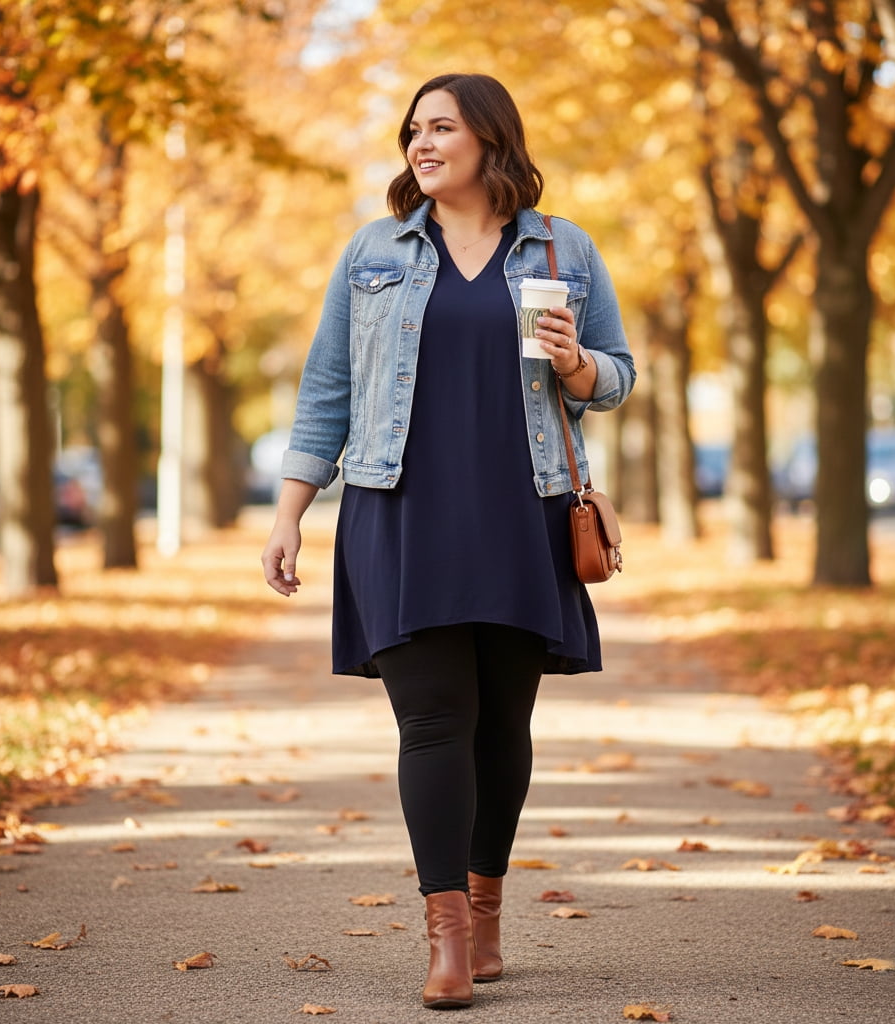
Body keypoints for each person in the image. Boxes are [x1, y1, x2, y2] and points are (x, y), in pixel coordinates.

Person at [262, 72, 636, 1010]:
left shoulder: (563, 247)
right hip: (402, 510)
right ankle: (447, 941)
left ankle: (486, 901)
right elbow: (326, 394)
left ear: (489, 141)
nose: (421, 145)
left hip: (525, 510)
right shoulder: (373, 252)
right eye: (413, 131)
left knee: (502, 726)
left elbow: (618, 377)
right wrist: (288, 514)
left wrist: (578, 363)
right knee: (432, 721)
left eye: (442, 128)